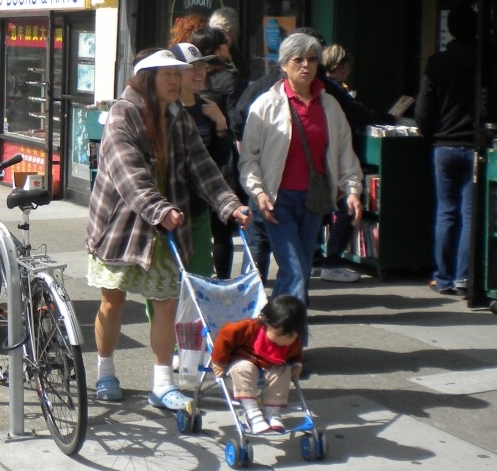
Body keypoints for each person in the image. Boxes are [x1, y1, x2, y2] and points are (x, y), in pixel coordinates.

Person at [86, 48, 252, 407]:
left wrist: (230, 204)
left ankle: (162, 383)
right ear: (148, 80)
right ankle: (105, 370)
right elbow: (127, 172)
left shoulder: (178, 117)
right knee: (112, 301)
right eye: (168, 75)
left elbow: (203, 167)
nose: (176, 81)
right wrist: (158, 208)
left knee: (166, 303)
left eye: (178, 74)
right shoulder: (122, 114)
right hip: (120, 227)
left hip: (164, 225)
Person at [240, 32, 363, 310]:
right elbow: (249, 159)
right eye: (298, 60)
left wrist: (353, 190)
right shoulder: (265, 105)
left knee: (300, 271)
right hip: (277, 201)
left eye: (311, 59)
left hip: (314, 201)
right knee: (295, 269)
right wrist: (258, 193)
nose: (306, 65)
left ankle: (280, 335)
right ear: (283, 65)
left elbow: (345, 152)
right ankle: (289, 338)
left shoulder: (330, 106)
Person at [313, 43, 397, 283]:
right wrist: (388, 119)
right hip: (334, 155)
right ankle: (331, 260)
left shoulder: (321, 88)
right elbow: (357, 111)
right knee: (347, 204)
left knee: (321, 206)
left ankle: (316, 258)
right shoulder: (330, 89)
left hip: (323, 156)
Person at [415, 4, 478, 296]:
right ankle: (465, 277)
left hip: (444, 144)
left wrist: (429, 134)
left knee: (446, 212)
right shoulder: (484, 61)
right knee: (468, 213)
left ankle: (443, 277)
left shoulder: (437, 63)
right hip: (475, 144)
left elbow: (424, 107)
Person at [169, 42, 233, 277]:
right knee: (169, 281)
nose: (198, 73)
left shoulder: (210, 105)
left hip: (200, 205)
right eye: (191, 67)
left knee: (200, 275)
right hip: (170, 207)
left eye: (202, 66)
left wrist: (221, 125)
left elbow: (220, 159)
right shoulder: (166, 110)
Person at [210, 294, 306, 434]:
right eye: (278, 335)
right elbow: (225, 335)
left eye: (290, 336)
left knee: (283, 371)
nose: (283, 341)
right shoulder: (248, 328)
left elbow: (295, 353)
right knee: (243, 368)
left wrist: (297, 364)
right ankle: (252, 413)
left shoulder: (292, 341)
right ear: (266, 323)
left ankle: (273, 411)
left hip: (271, 364)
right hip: (244, 358)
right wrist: (220, 362)